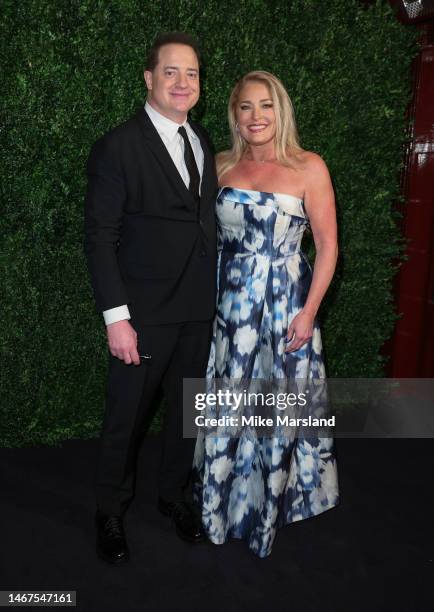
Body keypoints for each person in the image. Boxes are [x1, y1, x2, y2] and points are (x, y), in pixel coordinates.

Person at [192, 70, 339, 558]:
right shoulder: (219, 167)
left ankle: (267, 512)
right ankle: (219, 506)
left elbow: (329, 246)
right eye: (246, 107)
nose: (256, 117)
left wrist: (309, 311)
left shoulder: (308, 167)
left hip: (286, 307)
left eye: (266, 106)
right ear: (234, 116)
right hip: (229, 310)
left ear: (281, 110)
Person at [84, 32, 217, 564]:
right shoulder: (118, 145)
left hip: (199, 310)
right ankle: (109, 511)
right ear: (149, 78)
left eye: (192, 74)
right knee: (127, 417)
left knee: (188, 412)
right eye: (171, 72)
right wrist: (117, 319)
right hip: (142, 316)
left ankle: (173, 496)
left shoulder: (203, 139)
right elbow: (100, 236)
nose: (183, 83)